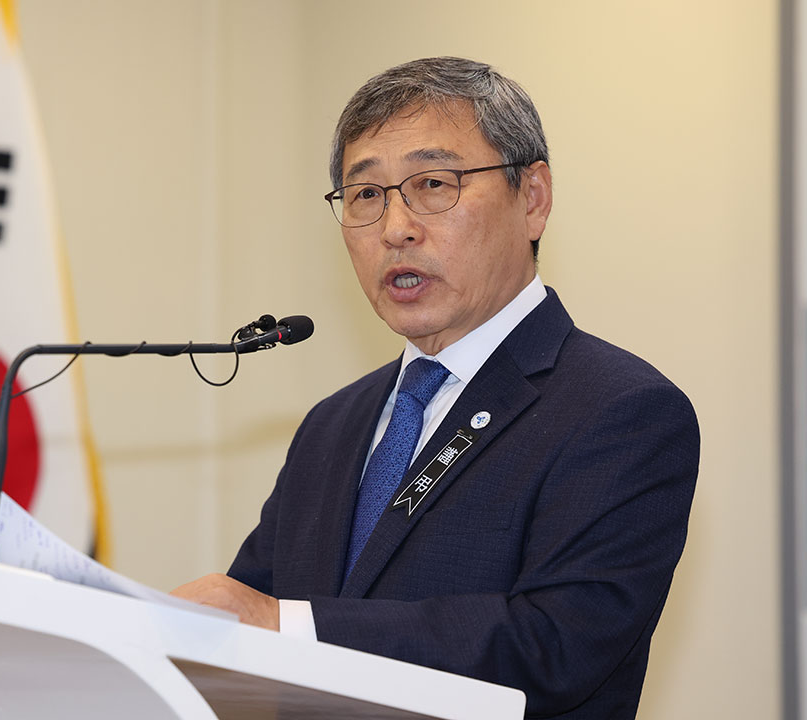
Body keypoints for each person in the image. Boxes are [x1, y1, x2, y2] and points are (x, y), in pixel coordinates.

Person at [172, 56, 699, 720]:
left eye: (432, 183)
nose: (396, 228)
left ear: (532, 199)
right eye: (366, 195)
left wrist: (290, 627)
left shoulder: (620, 411)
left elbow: (552, 648)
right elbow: (249, 618)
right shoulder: (333, 425)